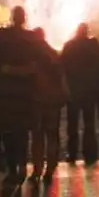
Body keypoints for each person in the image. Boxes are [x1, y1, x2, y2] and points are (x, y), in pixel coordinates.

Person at [0, 7, 41, 183]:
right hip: (25, 93)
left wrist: (7, 70)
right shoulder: (32, 38)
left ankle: (12, 168)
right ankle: (22, 165)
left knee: (7, 132)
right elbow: (38, 64)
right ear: (24, 18)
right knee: (23, 132)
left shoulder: (0, 36)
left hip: (5, 93)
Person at [61, 23, 99, 164]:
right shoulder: (93, 45)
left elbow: (62, 68)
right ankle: (90, 154)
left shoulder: (69, 46)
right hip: (90, 90)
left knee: (72, 125)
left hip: (74, 90)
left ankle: (72, 153)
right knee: (89, 124)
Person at [30, 28, 68, 182]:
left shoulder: (32, 56)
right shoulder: (54, 54)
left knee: (37, 136)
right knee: (52, 135)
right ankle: (51, 168)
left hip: (37, 101)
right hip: (53, 102)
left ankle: (37, 169)